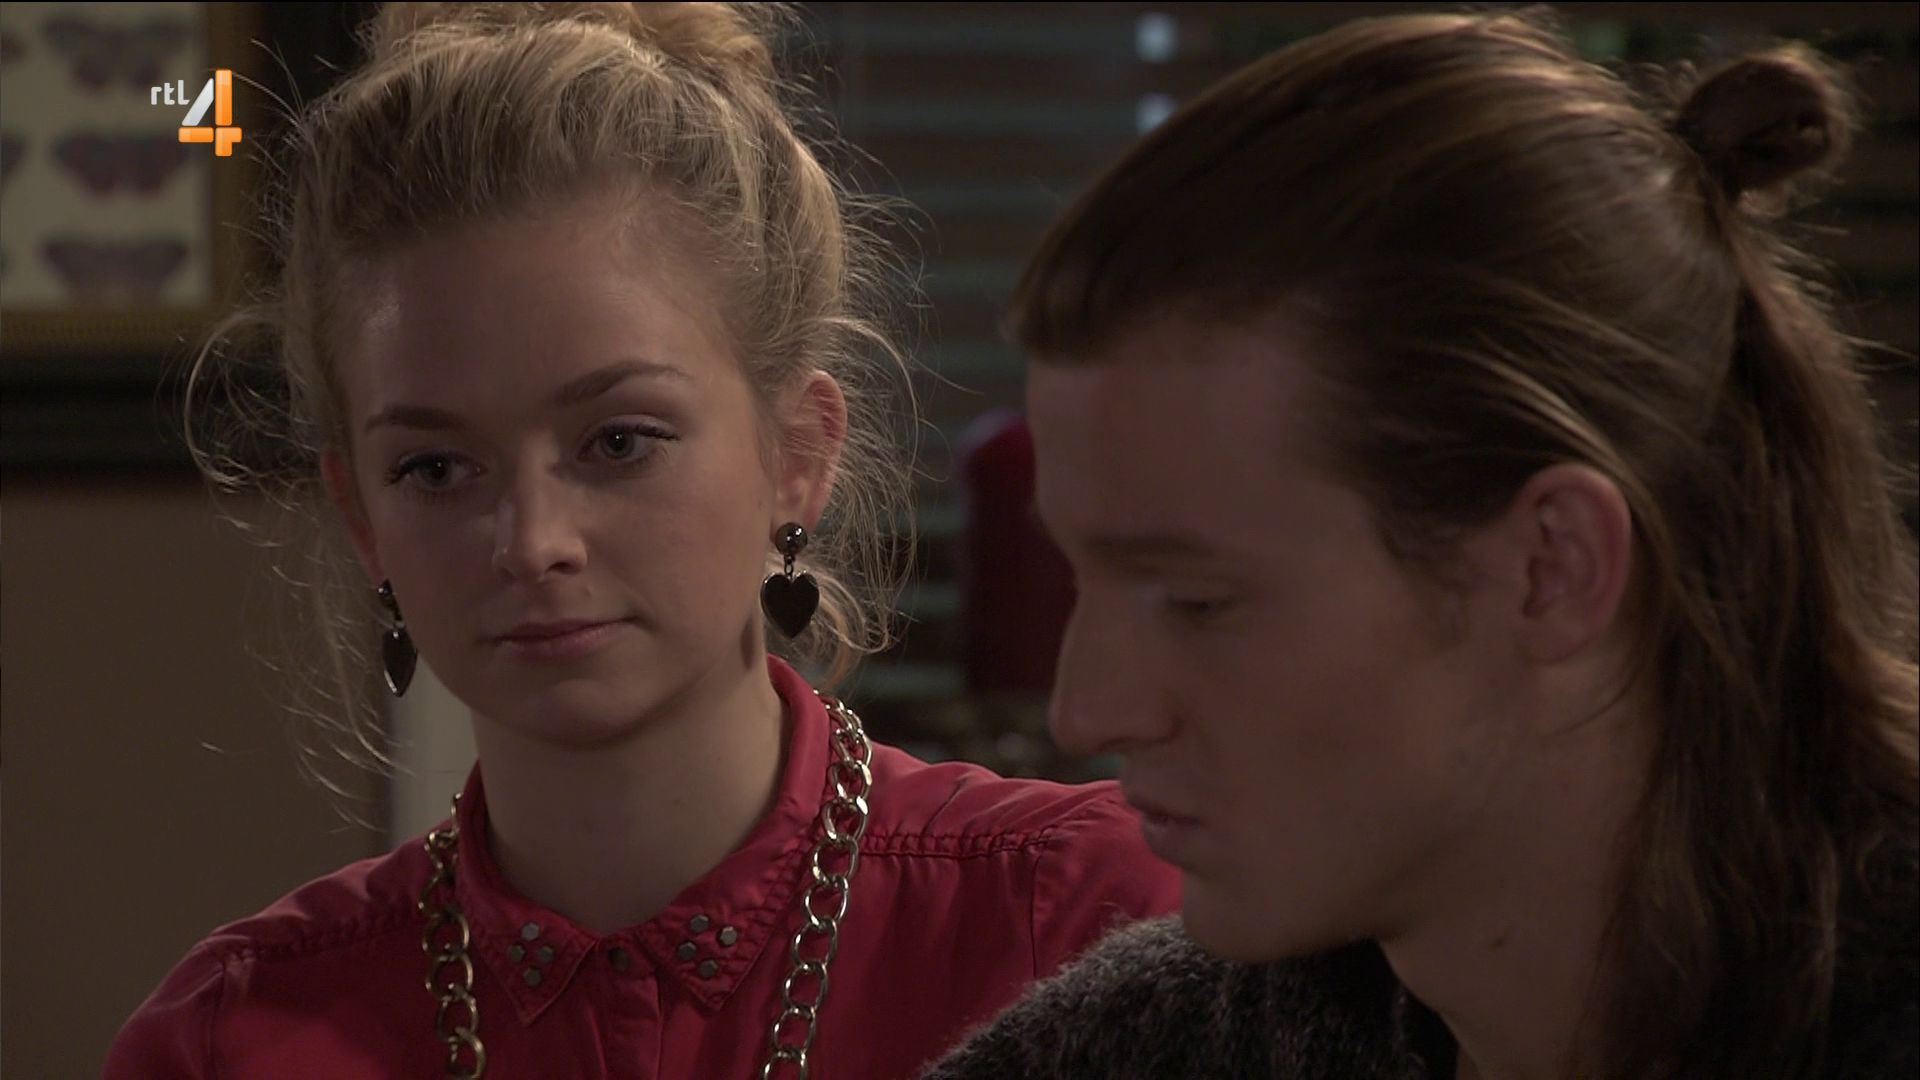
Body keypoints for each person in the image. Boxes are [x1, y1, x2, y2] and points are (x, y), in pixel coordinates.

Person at [104, 4, 1180, 1077]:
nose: (533, 542)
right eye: (434, 469)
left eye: (619, 442)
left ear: (796, 454)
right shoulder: (232, 1038)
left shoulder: (1088, 921)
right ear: (361, 519)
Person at [924, 8, 1917, 1080]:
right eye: (1083, 576)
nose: (1086, 712)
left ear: (1553, 569)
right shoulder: (1147, 1049)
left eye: (1200, 602)